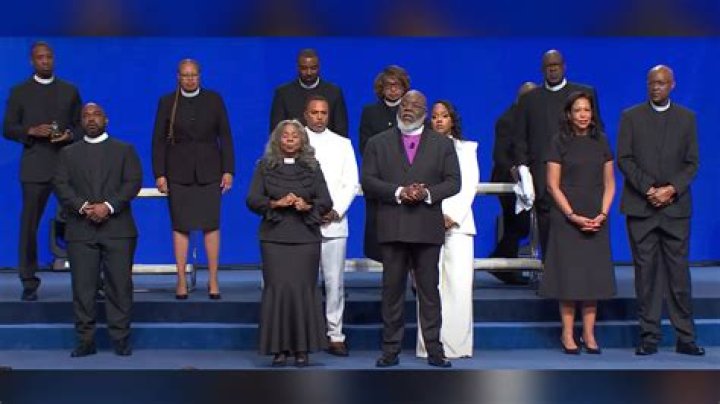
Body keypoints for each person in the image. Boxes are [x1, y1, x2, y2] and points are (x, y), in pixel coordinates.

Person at [362, 90, 460, 368]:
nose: (408, 108)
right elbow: (368, 180)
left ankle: (434, 349)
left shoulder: (442, 144)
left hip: (426, 227)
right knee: (392, 291)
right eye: (404, 104)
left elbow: (454, 182)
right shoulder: (377, 143)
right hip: (392, 226)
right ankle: (390, 349)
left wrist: (426, 193)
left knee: (429, 291)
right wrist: (399, 191)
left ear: (424, 112)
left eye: (415, 105)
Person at [617, 65, 703, 356]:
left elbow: (692, 163)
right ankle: (649, 336)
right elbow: (625, 159)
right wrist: (649, 189)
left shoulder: (687, 119)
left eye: (662, 83)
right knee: (646, 276)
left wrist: (671, 189)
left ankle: (686, 337)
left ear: (672, 85)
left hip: (675, 209)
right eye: (652, 83)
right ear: (647, 84)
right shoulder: (631, 117)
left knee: (679, 276)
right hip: (642, 208)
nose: (656, 87)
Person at [53, 103, 142, 357]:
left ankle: (120, 339)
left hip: (118, 230)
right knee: (83, 289)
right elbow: (61, 184)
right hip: (80, 230)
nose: (91, 119)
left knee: (119, 287)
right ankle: (85, 341)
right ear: (81, 122)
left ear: (106, 120)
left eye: (96, 115)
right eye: (86, 116)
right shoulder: (67, 153)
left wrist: (108, 206)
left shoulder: (124, 150)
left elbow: (133, 182)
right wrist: (83, 207)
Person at [246, 119, 332, 367]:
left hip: (305, 238)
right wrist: (276, 203)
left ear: (302, 140)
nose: (291, 139)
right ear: (277, 140)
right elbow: (252, 199)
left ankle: (302, 348)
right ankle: (279, 349)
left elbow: (326, 200)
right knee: (278, 291)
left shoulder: (312, 167)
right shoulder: (264, 167)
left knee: (303, 291)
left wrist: (307, 205)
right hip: (275, 239)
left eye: (295, 135)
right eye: (286, 135)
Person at [538, 91, 616, 355]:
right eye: (578, 110)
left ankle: (589, 334)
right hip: (567, 218)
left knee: (592, 277)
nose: (583, 115)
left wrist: (602, 214)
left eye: (587, 110)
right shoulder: (558, 141)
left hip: (596, 217)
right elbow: (552, 185)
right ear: (569, 115)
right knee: (569, 278)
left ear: (592, 114)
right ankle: (568, 333)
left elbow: (610, 184)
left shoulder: (602, 141)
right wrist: (572, 215)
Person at [3, 41, 82, 301]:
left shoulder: (69, 91)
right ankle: (28, 281)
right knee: (29, 226)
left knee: (81, 223)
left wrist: (70, 135)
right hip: (35, 167)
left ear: (54, 59)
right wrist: (30, 131)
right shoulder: (20, 92)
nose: (45, 61)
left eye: (49, 57)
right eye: (40, 57)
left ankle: (90, 280)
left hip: (66, 167)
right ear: (32, 61)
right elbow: (8, 128)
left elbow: (82, 126)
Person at [152, 59, 235, 300]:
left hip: (210, 171)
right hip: (178, 172)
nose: (190, 79)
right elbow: (158, 141)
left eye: (193, 75)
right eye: (185, 75)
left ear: (200, 76)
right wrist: (160, 174)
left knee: (211, 224)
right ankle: (180, 279)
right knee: (181, 225)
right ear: (178, 76)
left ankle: (213, 279)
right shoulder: (167, 102)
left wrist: (228, 170)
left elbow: (225, 137)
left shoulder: (214, 99)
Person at [513, 49, 603, 256]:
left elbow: (597, 132)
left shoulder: (583, 94)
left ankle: (579, 273)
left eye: (556, 65)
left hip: (579, 179)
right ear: (542, 69)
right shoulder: (530, 100)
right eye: (548, 66)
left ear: (564, 67)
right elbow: (520, 139)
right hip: (543, 180)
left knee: (579, 234)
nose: (553, 69)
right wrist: (524, 172)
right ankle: (549, 272)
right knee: (548, 235)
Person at [416, 100, 478, 359]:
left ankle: (458, 346)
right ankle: (429, 345)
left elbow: (468, 185)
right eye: (435, 116)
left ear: (452, 120)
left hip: (459, 225)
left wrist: (452, 216)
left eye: (444, 116)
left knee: (459, 286)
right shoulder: (421, 148)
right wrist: (435, 214)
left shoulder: (466, 148)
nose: (439, 120)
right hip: (427, 220)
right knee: (429, 286)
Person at [304, 95, 359, 357]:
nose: (319, 117)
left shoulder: (342, 144)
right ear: (306, 114)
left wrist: (335, 210)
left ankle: (335, 334)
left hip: (334, 223)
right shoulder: (294, 140)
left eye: (323, 113)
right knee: (304, 282)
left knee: (334, 282)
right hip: (302, 223)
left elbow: (351, 182)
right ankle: (305, 332)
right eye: (314, 112)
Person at [358, 65, 411, 262]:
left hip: (406, 180)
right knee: (379, 238)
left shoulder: (411, 111)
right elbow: (365, 146)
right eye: (389, 85)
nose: (393, 89)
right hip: (379, 182)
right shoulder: (370, 112)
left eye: (397, 85)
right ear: (381, 88)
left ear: (404, 87)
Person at [489, 82, 537, 285]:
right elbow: (499, 154)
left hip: (527, 181)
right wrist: (515, 170)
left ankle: (504, 266)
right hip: (508, 180)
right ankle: (500, 262)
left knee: (517, 225)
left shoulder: (533, 119)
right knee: (518, 224)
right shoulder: (507, 120)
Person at [270, 48, 348, 137]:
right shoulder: (283, 94)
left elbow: (341, 132)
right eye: (304, 68)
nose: (309, 73)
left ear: (319, 67)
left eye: (313, 68)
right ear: (297, 68)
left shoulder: (334, 93)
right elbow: (276, 132)